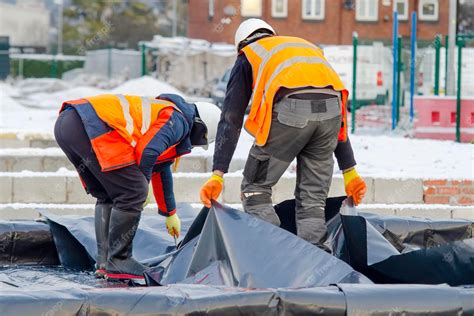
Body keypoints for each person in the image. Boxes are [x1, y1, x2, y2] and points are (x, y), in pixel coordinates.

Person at [200, 19, 367, 250]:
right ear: (271, 34)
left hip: (291, 113)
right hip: (331, 114)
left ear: (241, 44)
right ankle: (315, 261)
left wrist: (218, 173)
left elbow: (231, 118)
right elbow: (326, 103)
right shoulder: (305, 46)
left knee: (255, 190)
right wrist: (350, 171)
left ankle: (275, 253)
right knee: (313, 200)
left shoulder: (249, 54)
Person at [55, 93, 219, 282]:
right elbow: (148, 151)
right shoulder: (178, 119)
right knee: (133, 191)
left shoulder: (168, 114)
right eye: (201, 141)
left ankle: (105, 263)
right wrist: (141, 185)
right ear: (201, 127)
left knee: (109, 194)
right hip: (88, 124)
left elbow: (160, 167)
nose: (196, 145)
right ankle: (119, 260)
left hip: (69, 124)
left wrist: (169, 212)